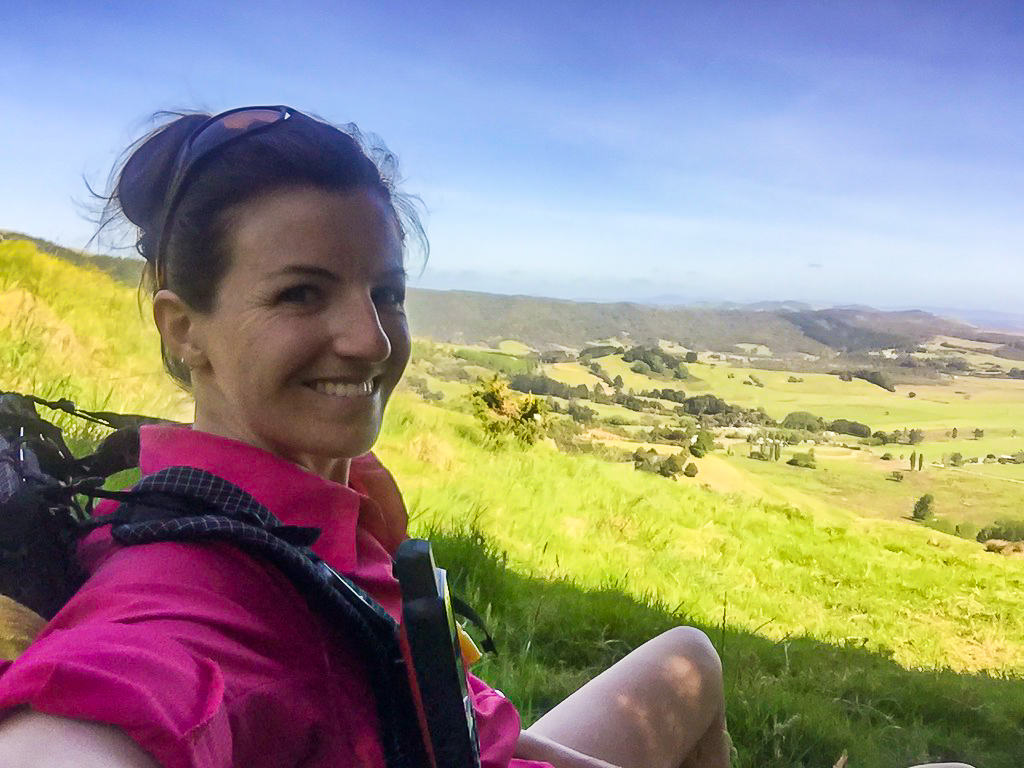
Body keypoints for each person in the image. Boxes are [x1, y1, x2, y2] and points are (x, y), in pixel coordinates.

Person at [0, 106, 730, 768]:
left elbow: (444, 715)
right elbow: (109, 699)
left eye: (386, 293)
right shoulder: (188, 597)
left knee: (690, 661)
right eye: (301, 293)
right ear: (184, 329)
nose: (372, 339)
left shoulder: (321, 508)